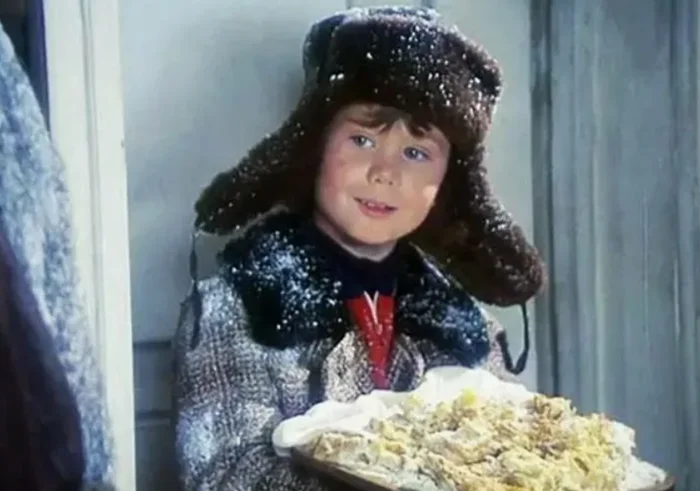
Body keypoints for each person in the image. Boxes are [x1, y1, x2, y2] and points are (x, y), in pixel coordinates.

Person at [172, 6, 545, 490]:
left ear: (447, 182)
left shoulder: (468, 328)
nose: (385, 173)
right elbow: (227, 475)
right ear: (314, 148)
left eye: (416, 153)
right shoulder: (234, 310)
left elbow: (514, 457)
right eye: (363, 140)